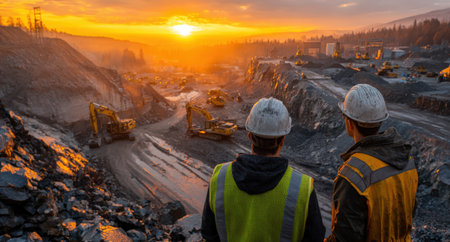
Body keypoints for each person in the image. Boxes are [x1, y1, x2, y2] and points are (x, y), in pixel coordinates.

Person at [201, 97, 325, 242]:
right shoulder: (302, 188)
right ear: (283, 140)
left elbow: (209, 234)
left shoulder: (219, 178)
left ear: (249, 136)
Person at [326, 84, 418, 241]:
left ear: (349, 122)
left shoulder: (352, 175)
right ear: (380, 121)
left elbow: (345, 237)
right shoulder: (407, 161)